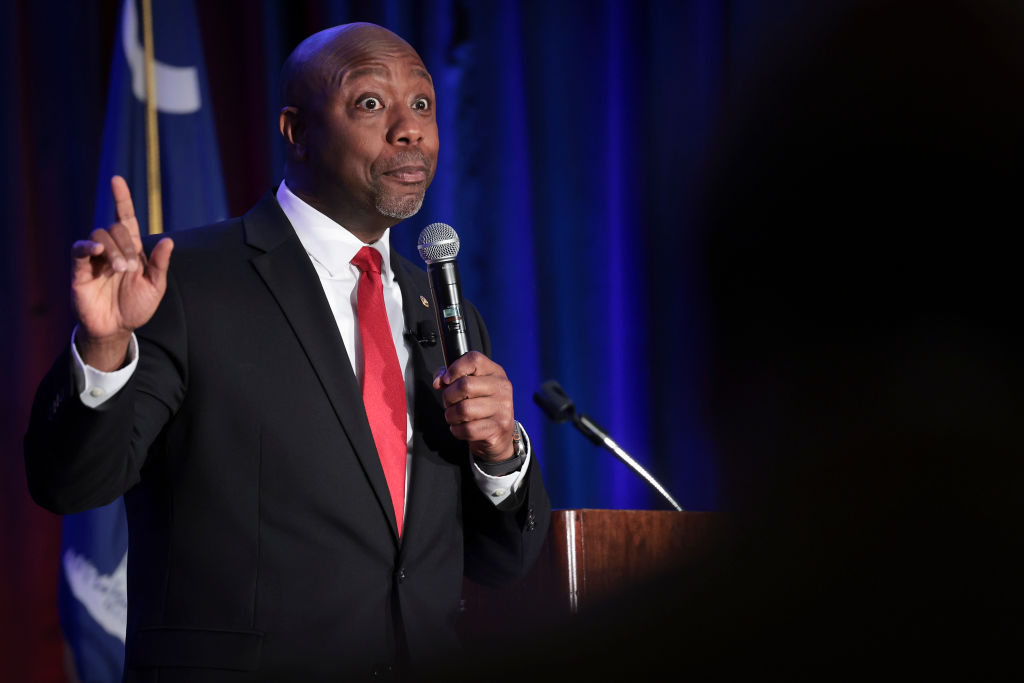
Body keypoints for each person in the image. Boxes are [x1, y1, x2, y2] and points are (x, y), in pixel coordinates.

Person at [25, 22, 550, 682]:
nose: (408, 129)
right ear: (296, 131)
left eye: (421, 104)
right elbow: (73, 483)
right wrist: (104, 345)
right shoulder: (184, 279)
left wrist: (498, 450)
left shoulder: (441, 309)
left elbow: (501, 561)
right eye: (369, 103)